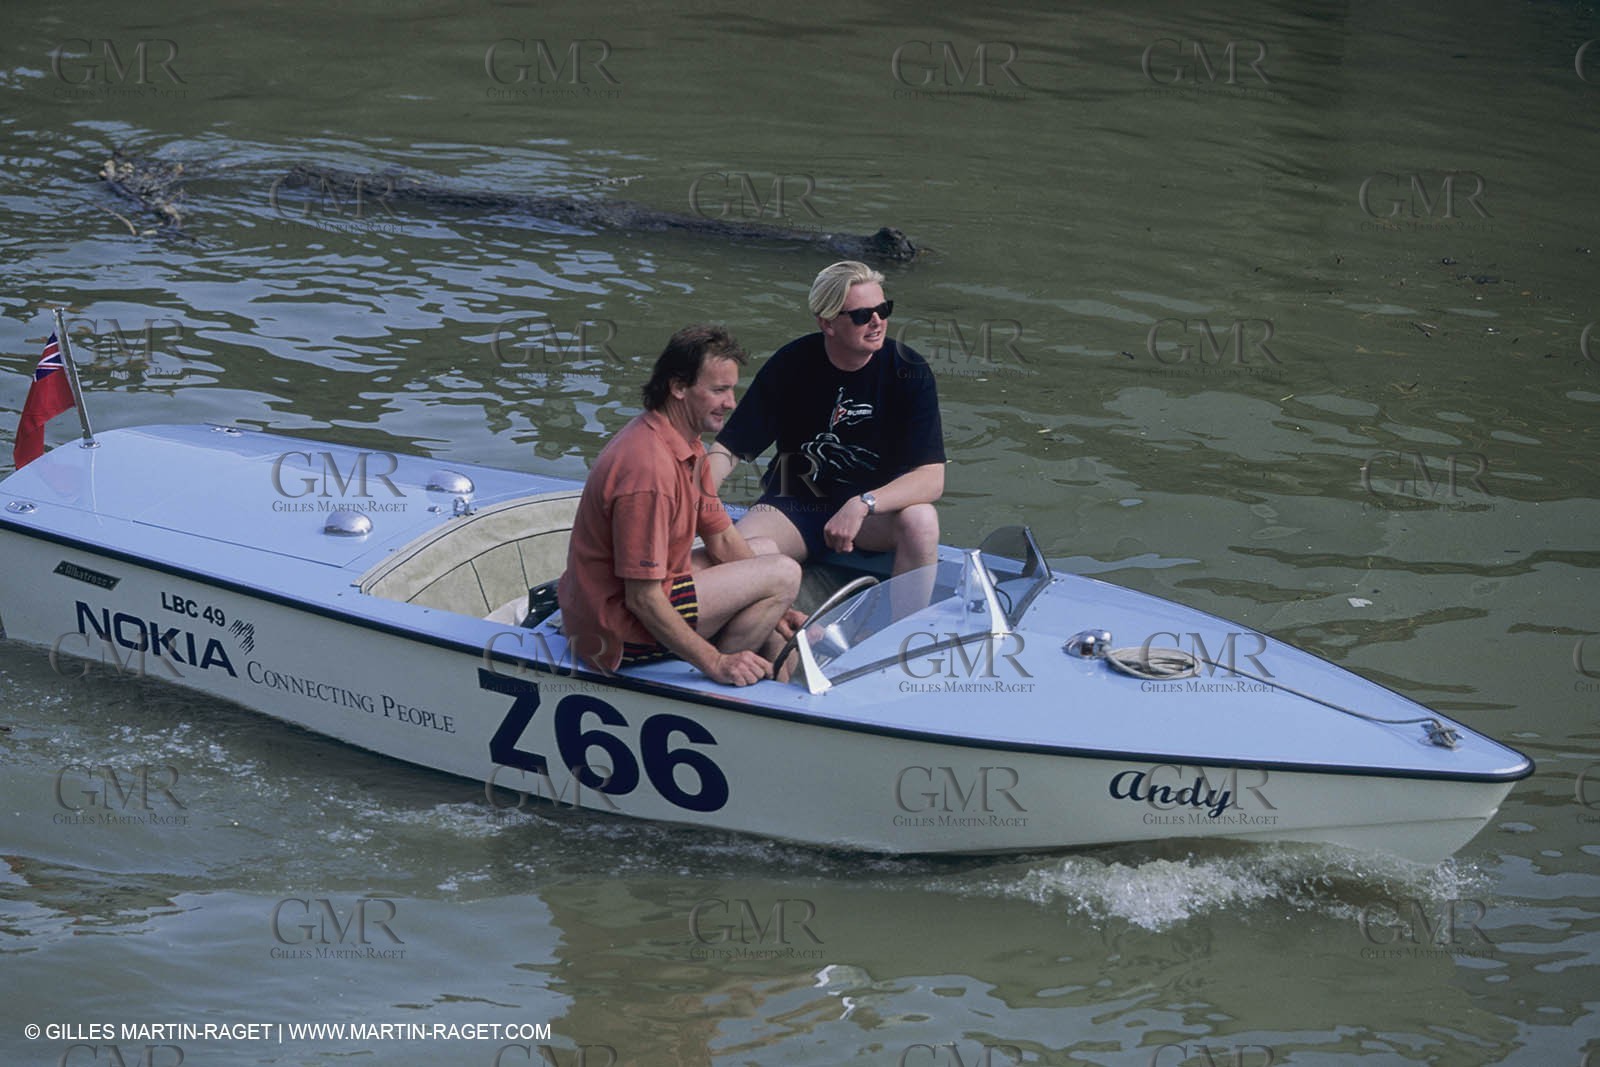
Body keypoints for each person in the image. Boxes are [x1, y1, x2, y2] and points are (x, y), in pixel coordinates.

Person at [557, 325, 802, 687]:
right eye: (719, 390)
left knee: (765, 553)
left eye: (731, 389)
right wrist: (717, 663)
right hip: (613, 631)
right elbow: (642, 599)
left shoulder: (685, 444)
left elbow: (721, 540)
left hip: (629, 598)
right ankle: (727, 681)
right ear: (678, 387)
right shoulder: (648, 470)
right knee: (784, 573)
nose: (731, 402)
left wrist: (779, 609)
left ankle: (765, 666)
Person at [707, 261, 945, 576]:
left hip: (873, 516)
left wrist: (863, 504)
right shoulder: (791, 363)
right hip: (795, 506)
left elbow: (931, 477)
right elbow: (729, 449)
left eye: (883, 309)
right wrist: (697, 499)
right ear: (828, 323)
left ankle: (909, 626)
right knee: (735, 557)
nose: (877, 322)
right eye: (862, 316)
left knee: (922, 521)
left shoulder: (909, 370)